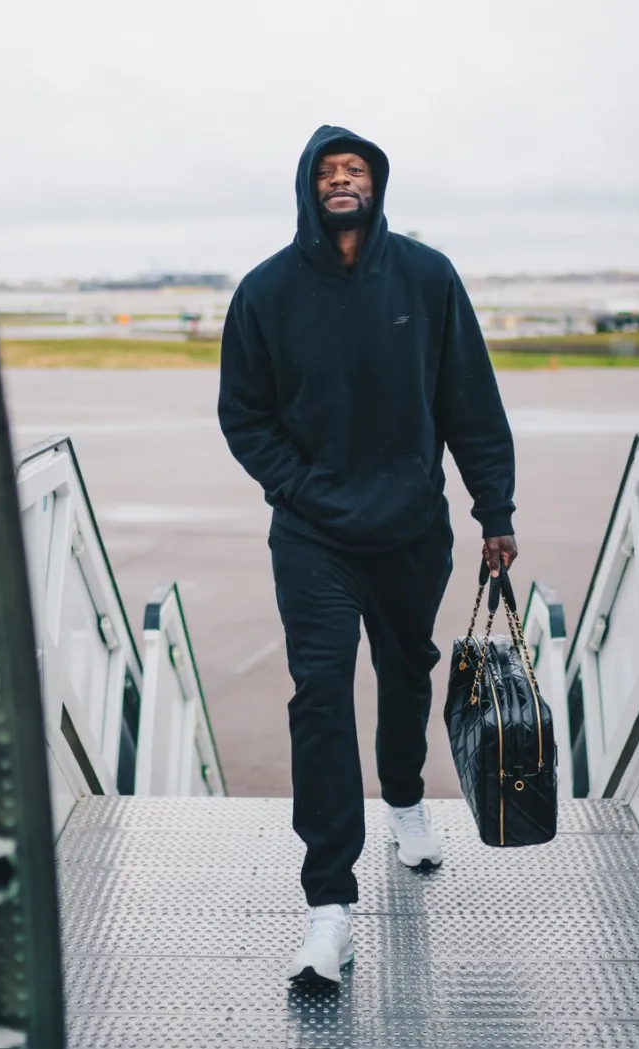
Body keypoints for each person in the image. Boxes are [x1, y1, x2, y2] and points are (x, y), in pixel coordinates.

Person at [217, 124, 517, 985]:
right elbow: (244, 414)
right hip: (313, 532)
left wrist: (494, 509)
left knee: (407, 670)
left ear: (377, 185)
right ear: (308, 187)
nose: (342, 179)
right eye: (328, 170)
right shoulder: (266, 290)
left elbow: (470, 400)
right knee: (318, 694)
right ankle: (329, 906)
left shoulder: (428, 277)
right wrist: (299, 488)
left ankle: (407, 797)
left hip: (410, 527)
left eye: (356, 168)